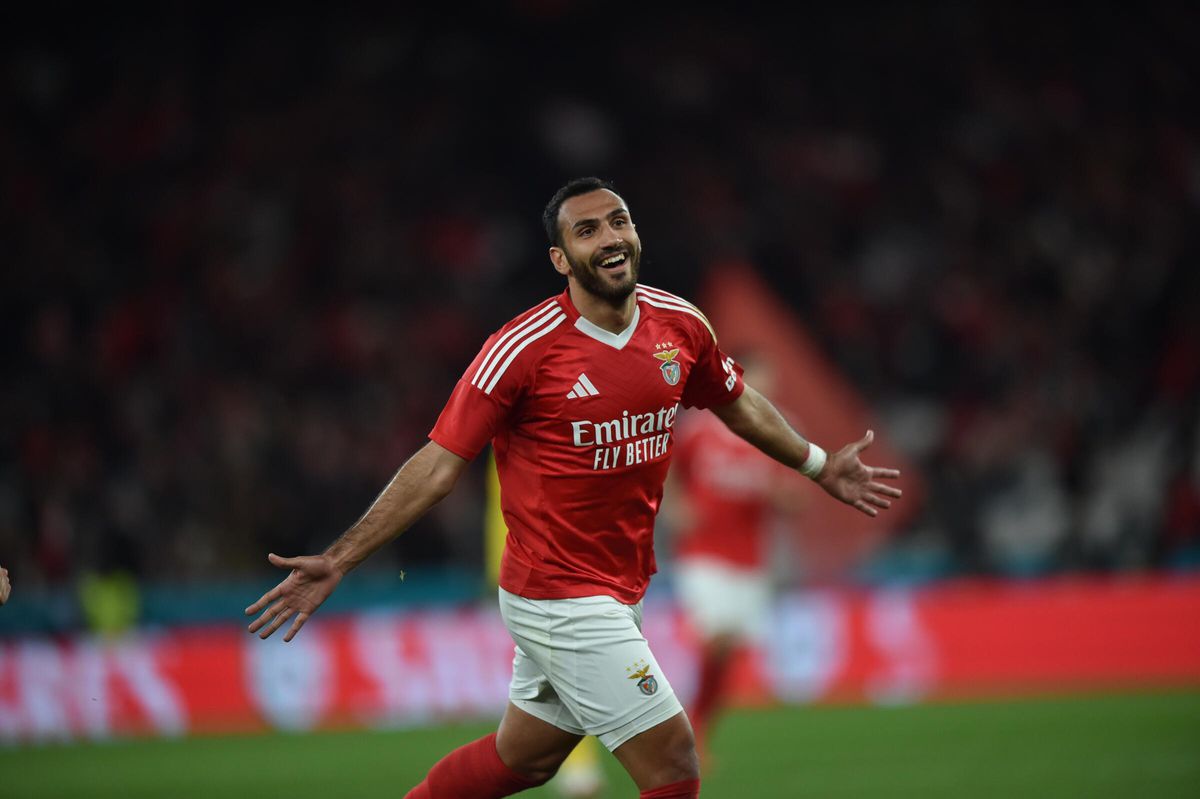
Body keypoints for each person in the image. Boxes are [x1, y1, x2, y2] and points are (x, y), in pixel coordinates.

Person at [245, 177, 903, 799]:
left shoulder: (679, 327)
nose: (610, 237)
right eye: (588, 231)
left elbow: (737, 401)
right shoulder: (522, 349)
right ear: (562, 259)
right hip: (557, 593)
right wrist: (340, 556)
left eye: (619, 221)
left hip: (619, 586)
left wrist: (819, 464)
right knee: (673, 759)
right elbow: (438, 465)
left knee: (525, 757)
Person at [666, 353, 803, 766]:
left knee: (728, 655)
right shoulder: (702, 429)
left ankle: (699, 726)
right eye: (760, 381)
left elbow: (796, 499)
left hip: (750, 560)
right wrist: (674, 506)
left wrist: (785, 498)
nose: (768, 392)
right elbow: (665, 465)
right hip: (703, 554)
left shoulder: (777, 434)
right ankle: (679, 728)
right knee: (718, 638)